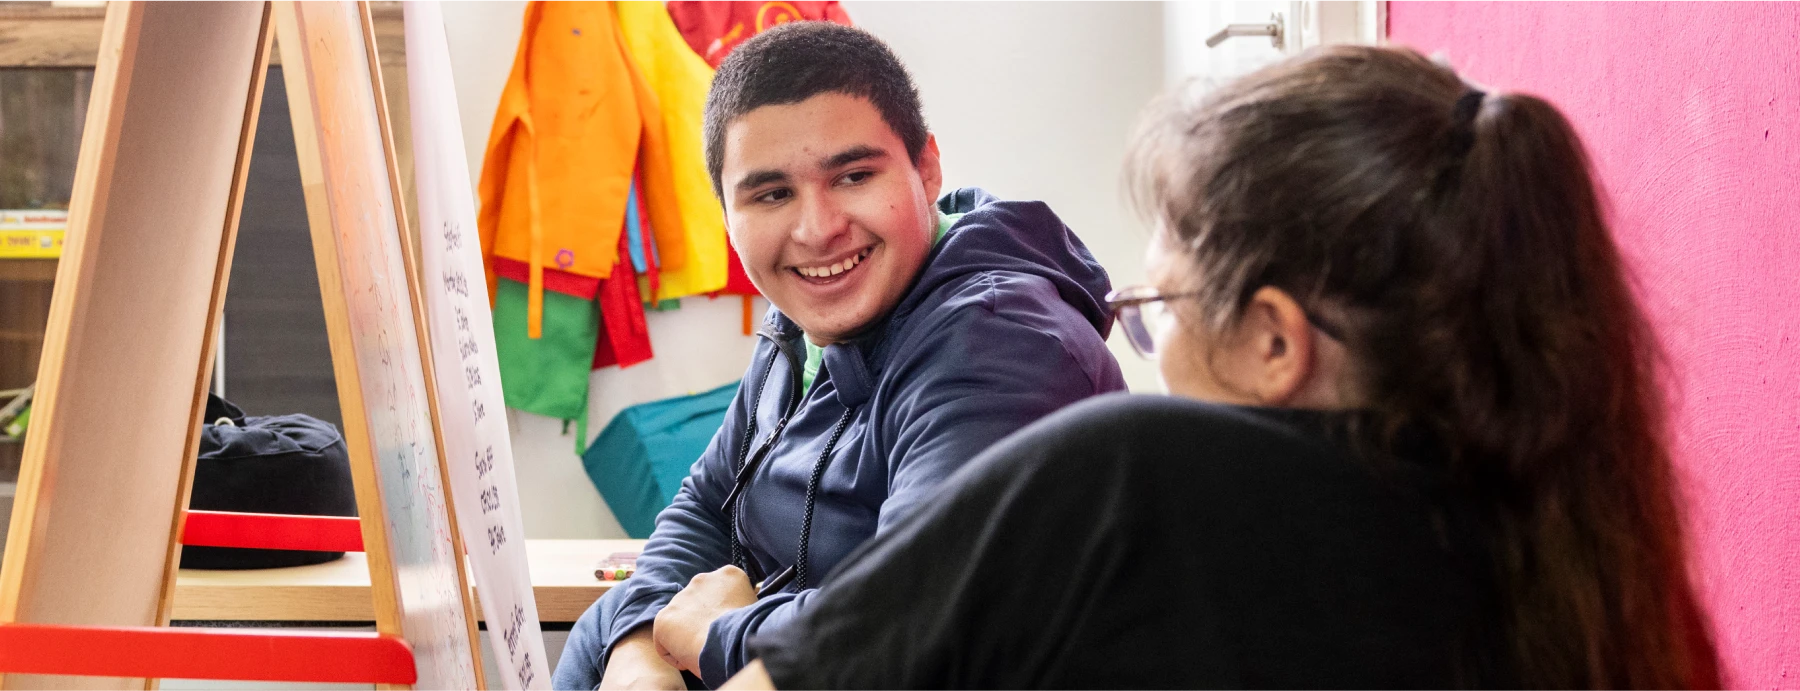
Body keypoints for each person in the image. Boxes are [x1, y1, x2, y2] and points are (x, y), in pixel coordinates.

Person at [721, 46, 1724, 690]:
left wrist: (701, 634)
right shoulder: (1576, 554)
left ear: (1276, 343)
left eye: (1156, 313)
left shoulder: (1137, 475)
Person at [553, 22, 1127, 691]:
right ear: (726, 214)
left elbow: (912, 621)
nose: (817, 229)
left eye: (853, 175)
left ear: (927, 167)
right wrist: (641, 645)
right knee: (605, 630)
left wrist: (717, 634)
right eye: (771, 194)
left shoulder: (1002, 347)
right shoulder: (807, 318)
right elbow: (708, 501)